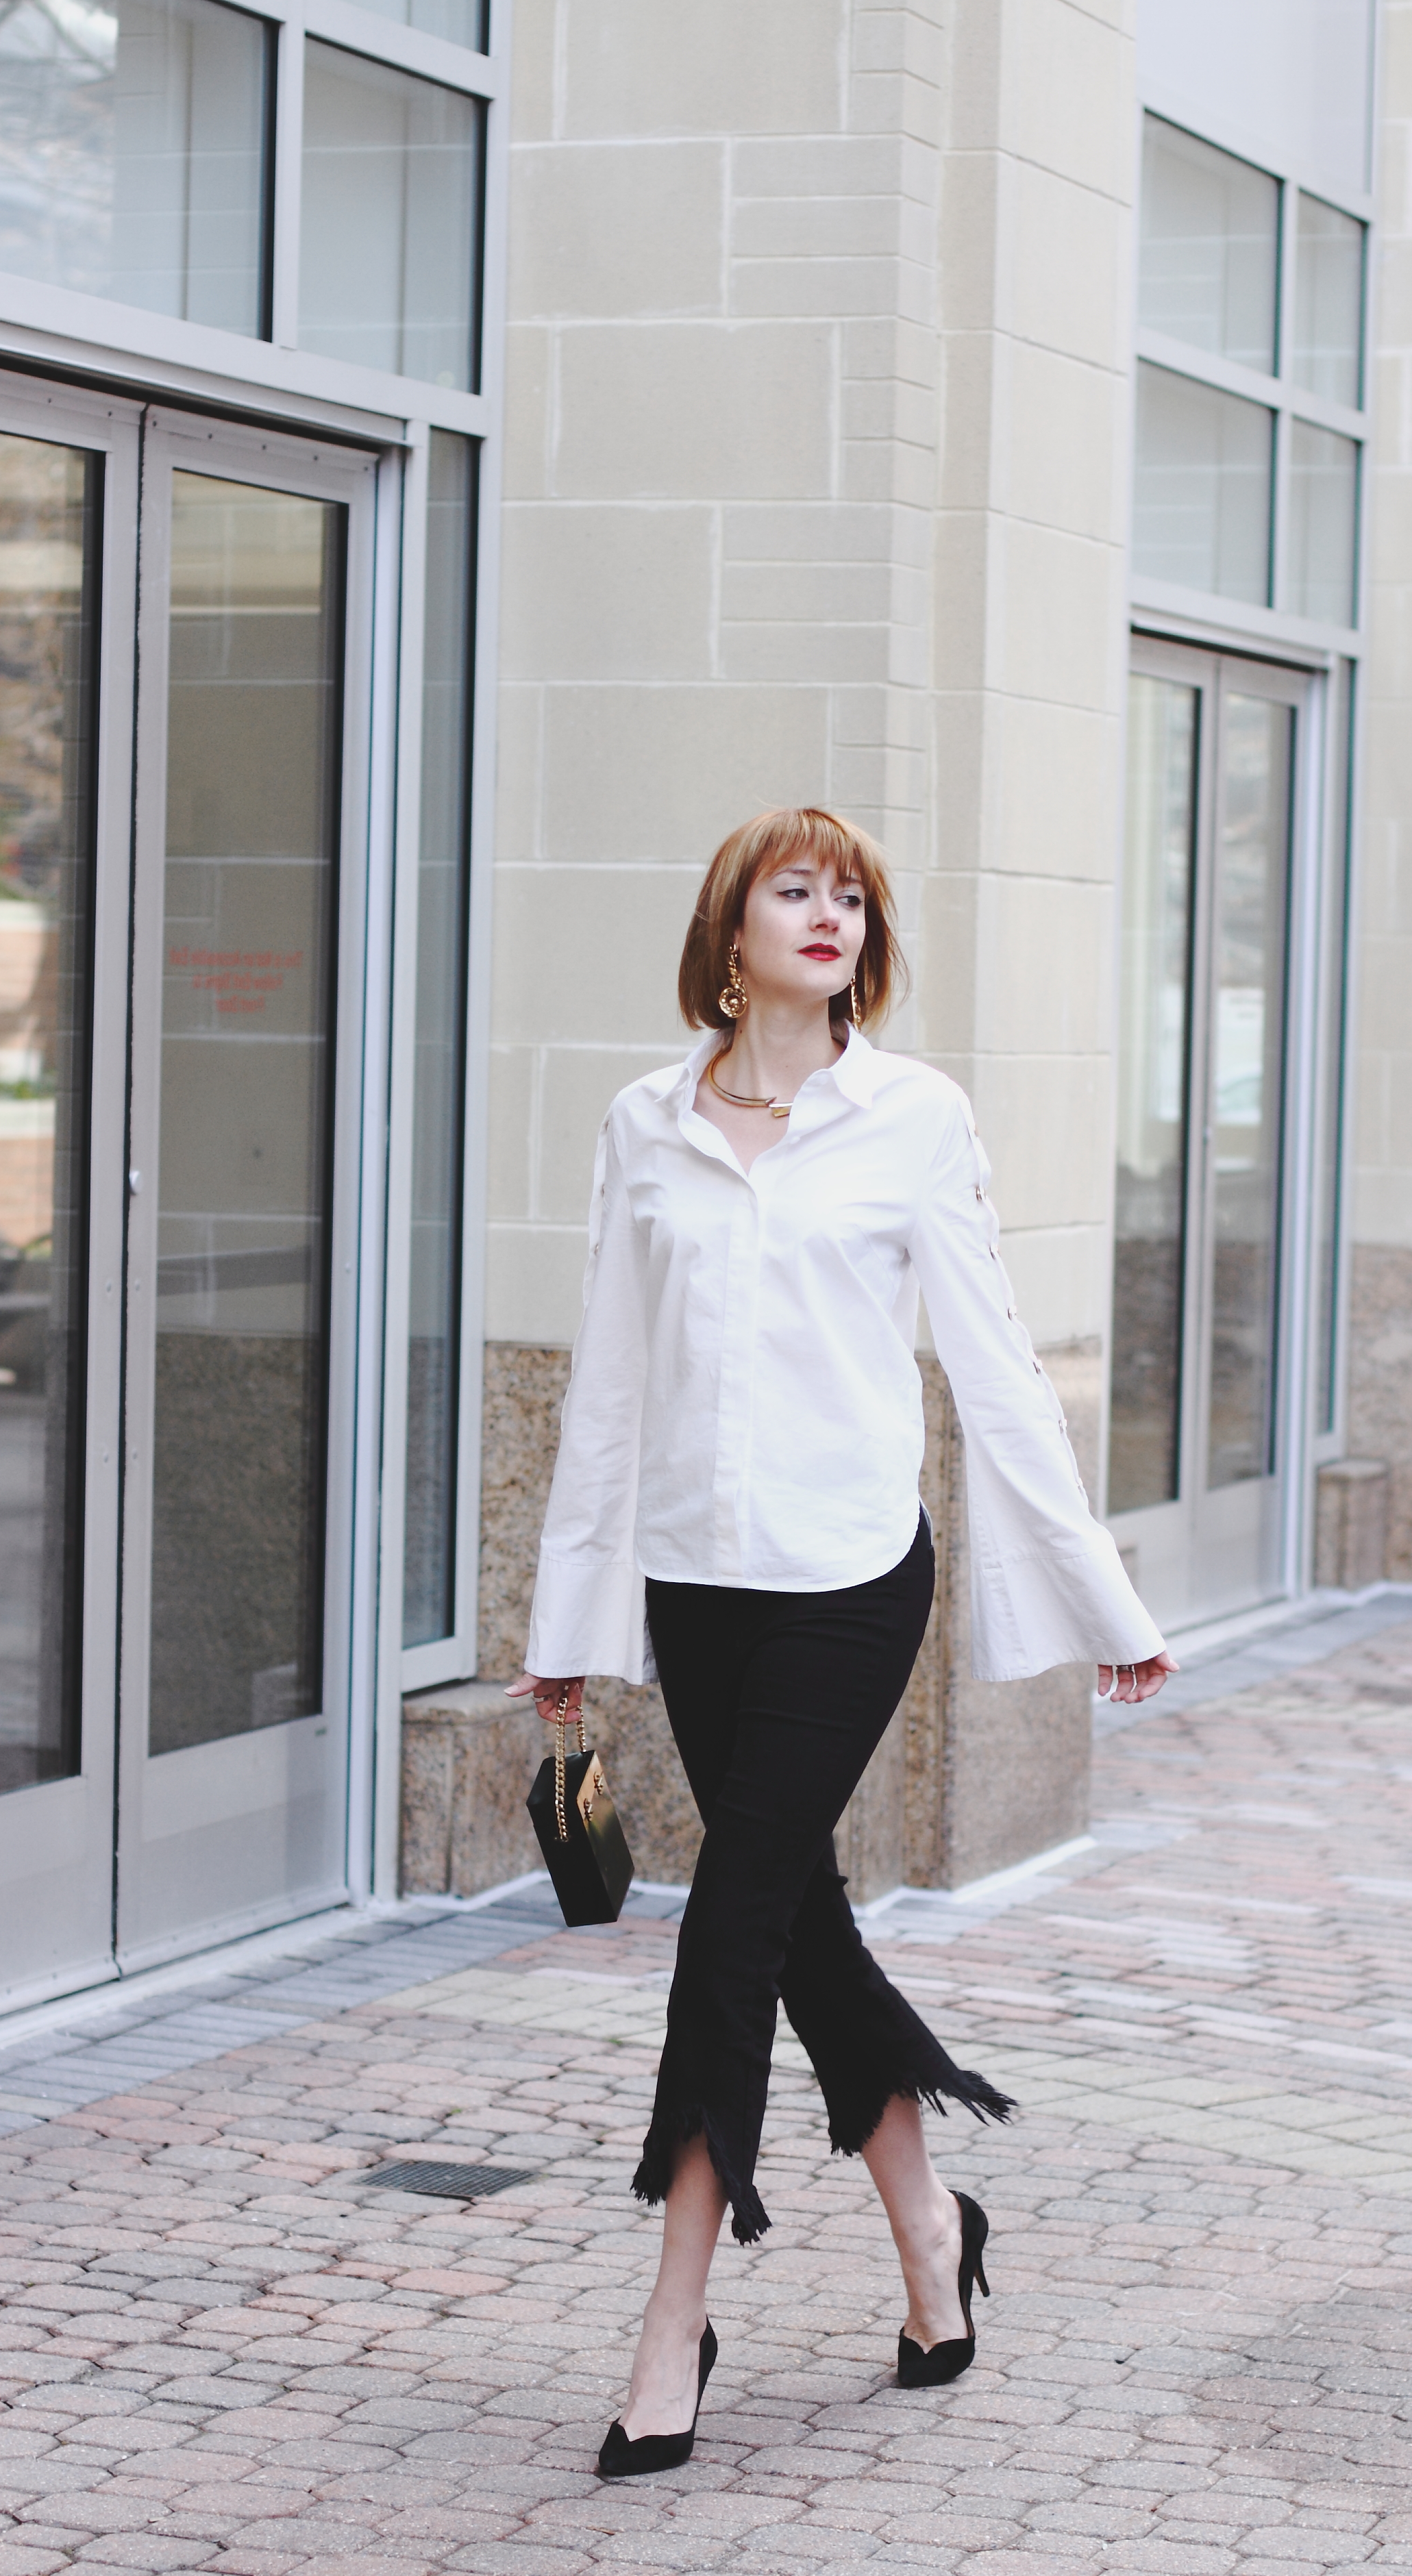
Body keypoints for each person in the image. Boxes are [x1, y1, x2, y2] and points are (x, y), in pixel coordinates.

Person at [508, 806, 1173, 2476]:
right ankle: (934, 2233)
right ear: (727, 929)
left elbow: (999, 1365)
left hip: (852, 1583)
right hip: (695, 1584)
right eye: (795, 890)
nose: (832, 915)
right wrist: (568, 1621)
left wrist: (1101, 1594)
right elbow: (605, 1386)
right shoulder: (644, 1124)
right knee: (797, 1927)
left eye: (854, 896)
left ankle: (675, 2323)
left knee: (727, 1929)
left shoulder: (914, 1120)